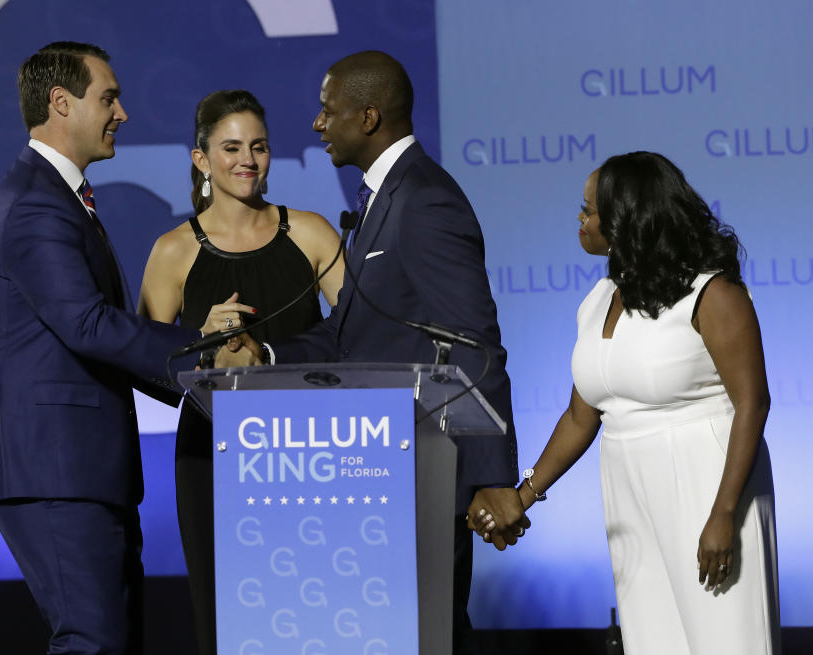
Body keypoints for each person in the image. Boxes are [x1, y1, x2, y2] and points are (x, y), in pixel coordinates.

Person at [220, 51, 521, 654]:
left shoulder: (426, 201)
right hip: (385, 471)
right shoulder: (382, 200)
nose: (316, 124)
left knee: (431, 633)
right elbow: (347, 335)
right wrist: (264, 353)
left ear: (369, 116)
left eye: (327, 111)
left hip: (426, 469)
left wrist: (491, 476)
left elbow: (474, 341)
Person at [0, 42, 233, 655]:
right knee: (93, 643)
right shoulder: (36, 203)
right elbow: (88, 325)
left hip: (80, 468)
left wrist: (203, 373)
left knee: (110, 641)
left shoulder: (57, 197)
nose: (122, 114)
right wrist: (204, 355)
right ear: (61, 103)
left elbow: (98, 334)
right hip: (56, 468)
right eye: (108, 98)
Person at [474, 151, 780, 655]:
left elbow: (753, 402)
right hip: (628, 491)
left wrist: (724, 513)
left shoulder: (712, 294)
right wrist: (523, 495)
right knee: (653, 639)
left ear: (627, 219)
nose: (580, 218)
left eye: (590, 209)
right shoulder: (598, 299)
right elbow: (581, 415)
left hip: (709, 483)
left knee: (727, 639)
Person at [137, 89, 344, 655]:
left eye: (259, 146)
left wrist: (271, 356)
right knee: (226, 621)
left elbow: (361, 341)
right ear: (201, 159)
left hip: (308, 451)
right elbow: (148, 372)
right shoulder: (173, 251)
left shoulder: (313, 234)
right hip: (213, 456)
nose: (246, 160)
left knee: (317, 613)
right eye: (230, 148)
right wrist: (201, 345)